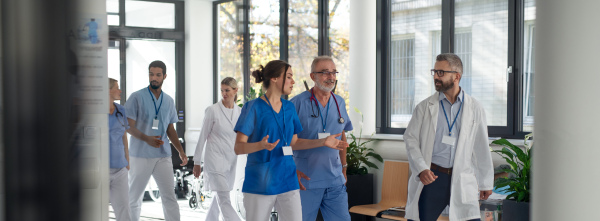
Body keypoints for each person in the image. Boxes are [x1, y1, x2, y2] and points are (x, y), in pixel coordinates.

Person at [233, 60, 348, 221]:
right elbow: (238, 148)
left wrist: (322, 142)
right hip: (260, 182)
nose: (293, 81)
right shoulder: (252, 107)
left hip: (288, 179)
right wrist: (260, 145)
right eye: (288, 77)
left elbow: (294, 142)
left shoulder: (289, 107)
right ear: (274, 78)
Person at [404, 53, 494, 221]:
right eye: (435, 71)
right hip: (432, 177)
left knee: (470, 218)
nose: (436, 77)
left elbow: (481, 145)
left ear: (456, 76)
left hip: (462, 177)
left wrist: (485, 182)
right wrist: (421, 168)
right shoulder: (424, 107)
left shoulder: (475, 107)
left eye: (441, 72)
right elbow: (410, 139)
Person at [289, 56, 353, 221]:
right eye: (325, 73)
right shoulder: (296, 103)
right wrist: (290, 170)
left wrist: (344, 168)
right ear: (312, 76)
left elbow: (342, 135)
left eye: (333, 72)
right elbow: (285, 143)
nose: (331, 77)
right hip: (306, 181)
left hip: (334, 182)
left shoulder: (339, 102)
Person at [125, 60, 188, 221]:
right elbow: (128, 126)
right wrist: (147, 139)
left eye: (158, 75)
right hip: (140, 155)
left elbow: (170, 129)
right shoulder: (136, 97)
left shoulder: (168, 101)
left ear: (164, 76)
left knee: (169, 197)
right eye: (151, 74)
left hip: (163, 155)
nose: (154, 78)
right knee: (134, 198)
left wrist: (181, 151)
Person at [192, 77, 242, 221]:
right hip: (214, 160)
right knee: (224, 198)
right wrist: (196, 162)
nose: (224, 93)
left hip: (230, 161)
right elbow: (202, 137)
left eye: (227, 90)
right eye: (222, 90)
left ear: (235, 90)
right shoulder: (212, 110)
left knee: (219, 197)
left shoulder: (240, 112)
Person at [108, 78, 131, 221]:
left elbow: (124, 136)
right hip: (99, 169)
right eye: (117, 87)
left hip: (120, 168)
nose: (120, 90)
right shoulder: (94, 112)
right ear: (108, 90)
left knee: (124, 209)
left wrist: (127, 160)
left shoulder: (120, 110)